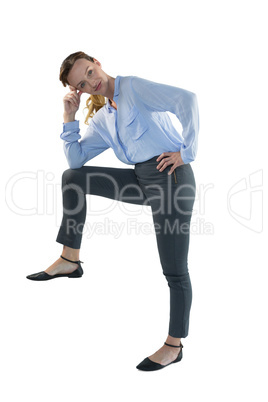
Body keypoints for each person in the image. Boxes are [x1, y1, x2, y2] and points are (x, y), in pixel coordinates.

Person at [26, 51, 199, 371]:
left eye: (90, 71)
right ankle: (69, 259)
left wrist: (186, 152)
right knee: (73, 178)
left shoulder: (133, 88)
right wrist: (69, 119)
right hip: (140, 179)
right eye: (82, 83)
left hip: (172, 179)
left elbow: (186, 100)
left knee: (174, 270)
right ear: (78, 90)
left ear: (98, 63)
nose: (92, 82)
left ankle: (174, 345)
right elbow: (76, 161)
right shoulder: (104, 117)